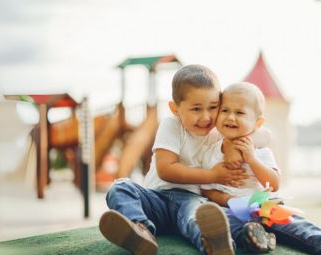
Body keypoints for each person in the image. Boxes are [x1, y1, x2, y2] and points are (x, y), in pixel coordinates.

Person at [100, 64, 270, 255]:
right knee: (120, 187)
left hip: (190, 200)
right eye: (196, 109)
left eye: (213, 107)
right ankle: (141, 230)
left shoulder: (220, 130)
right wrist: (212, 175)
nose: (206, 117)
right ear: (175, 109)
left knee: (199, 216)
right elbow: (166, 170)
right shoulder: (171, 126)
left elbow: (264, 134)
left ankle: (214, 244)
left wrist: (232, 145)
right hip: (156, 199)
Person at [200, 82, 321, 255]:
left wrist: (252, 159)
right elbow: (206, 190)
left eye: (239, 112)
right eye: (225, 110)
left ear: (257, 123)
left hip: (262, 209)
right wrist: (229, 199)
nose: (230, 117)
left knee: (295, 224)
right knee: (227, 224)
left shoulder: (261, 151)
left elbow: (273, 183)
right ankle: (255, 238)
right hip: (230, 211)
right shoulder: (211, 152)